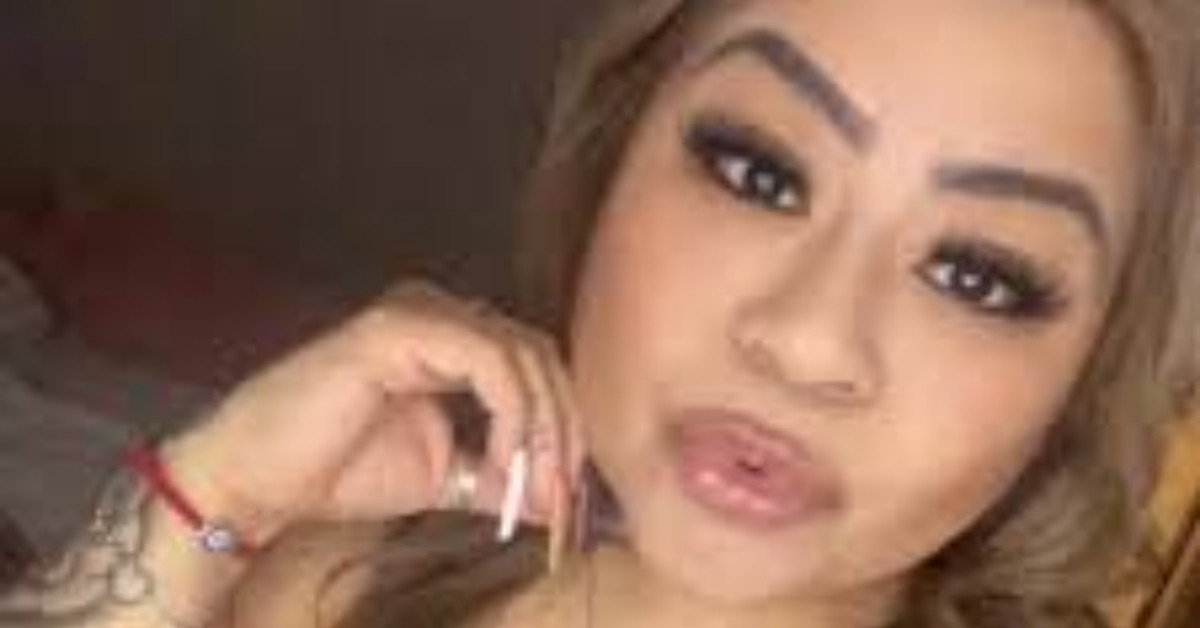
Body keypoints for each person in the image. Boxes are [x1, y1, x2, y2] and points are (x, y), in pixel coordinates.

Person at [3, 0, 1198, 626]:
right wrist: (212, 496)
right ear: (612, 153)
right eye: (758, 172)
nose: (807, 340)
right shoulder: (342, 586)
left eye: (978, 276)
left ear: (1085, 379)